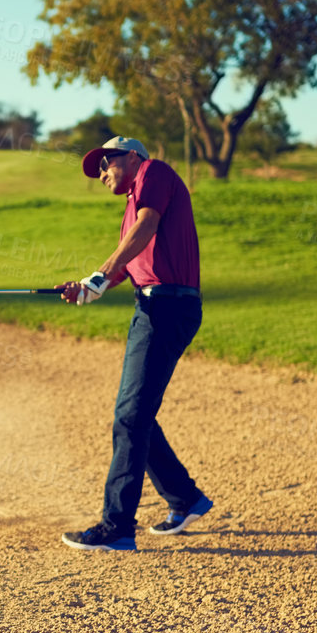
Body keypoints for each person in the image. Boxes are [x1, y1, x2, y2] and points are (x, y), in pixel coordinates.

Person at [56, 137, 214, 552]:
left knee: (130, 417)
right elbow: (130, 261)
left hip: (167, 307)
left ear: (132, 156)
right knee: (136, 415)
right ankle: (186, 498)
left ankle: (118, 527)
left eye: (106, 163)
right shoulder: (132, 208)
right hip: (151, 307)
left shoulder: (154, 173)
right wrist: (89, 287)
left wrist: (101, 272)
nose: (103, 173)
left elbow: (147, 229)